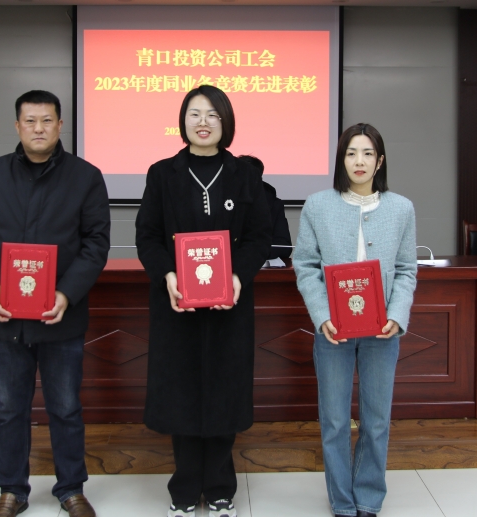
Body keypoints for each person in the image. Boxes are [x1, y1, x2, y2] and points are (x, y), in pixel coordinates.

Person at [0, 90, 110, 517]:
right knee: (9, 409)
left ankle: (71, 489)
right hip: (6, 316)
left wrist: (66, 293)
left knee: (65, 407)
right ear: (17, 126)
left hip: (61, 315)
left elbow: (96, 244)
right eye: (30, 121)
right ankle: (12, 490)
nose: (39, 128)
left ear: (60, 125)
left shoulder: (85, 176)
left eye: (47, 120)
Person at [135, 85, 272, 517]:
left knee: (224, 392)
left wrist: (236, 276)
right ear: (183, 121)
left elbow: (260, 237)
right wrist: (168, 275)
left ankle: (219, 485)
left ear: (225, 121)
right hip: (176, 305)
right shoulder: (162, 174)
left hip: (230, 305)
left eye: (213, 114)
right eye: (195, 114)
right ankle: (184, 485)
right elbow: (147, 236)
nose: (203, 122)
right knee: (181, 393)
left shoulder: (245, 174)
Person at [293, 123, 417, 517]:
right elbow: (305, 265)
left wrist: (397, 315)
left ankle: (368, 498)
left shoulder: (401, 208)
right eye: (350, 153)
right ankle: (343, 503)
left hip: (383, 330)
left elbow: (407, 269)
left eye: (367, 153)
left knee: (376, 420)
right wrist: (322, 316)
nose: (358, 161)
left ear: (380, 161)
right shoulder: (317, 205)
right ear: (340, 160)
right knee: (334, 420)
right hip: (334, 330)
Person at [236, 155, 293, 261]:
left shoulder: (274, 204)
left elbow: (284, 247)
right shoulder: (220, 202)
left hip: (262, 264)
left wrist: (253, 254)